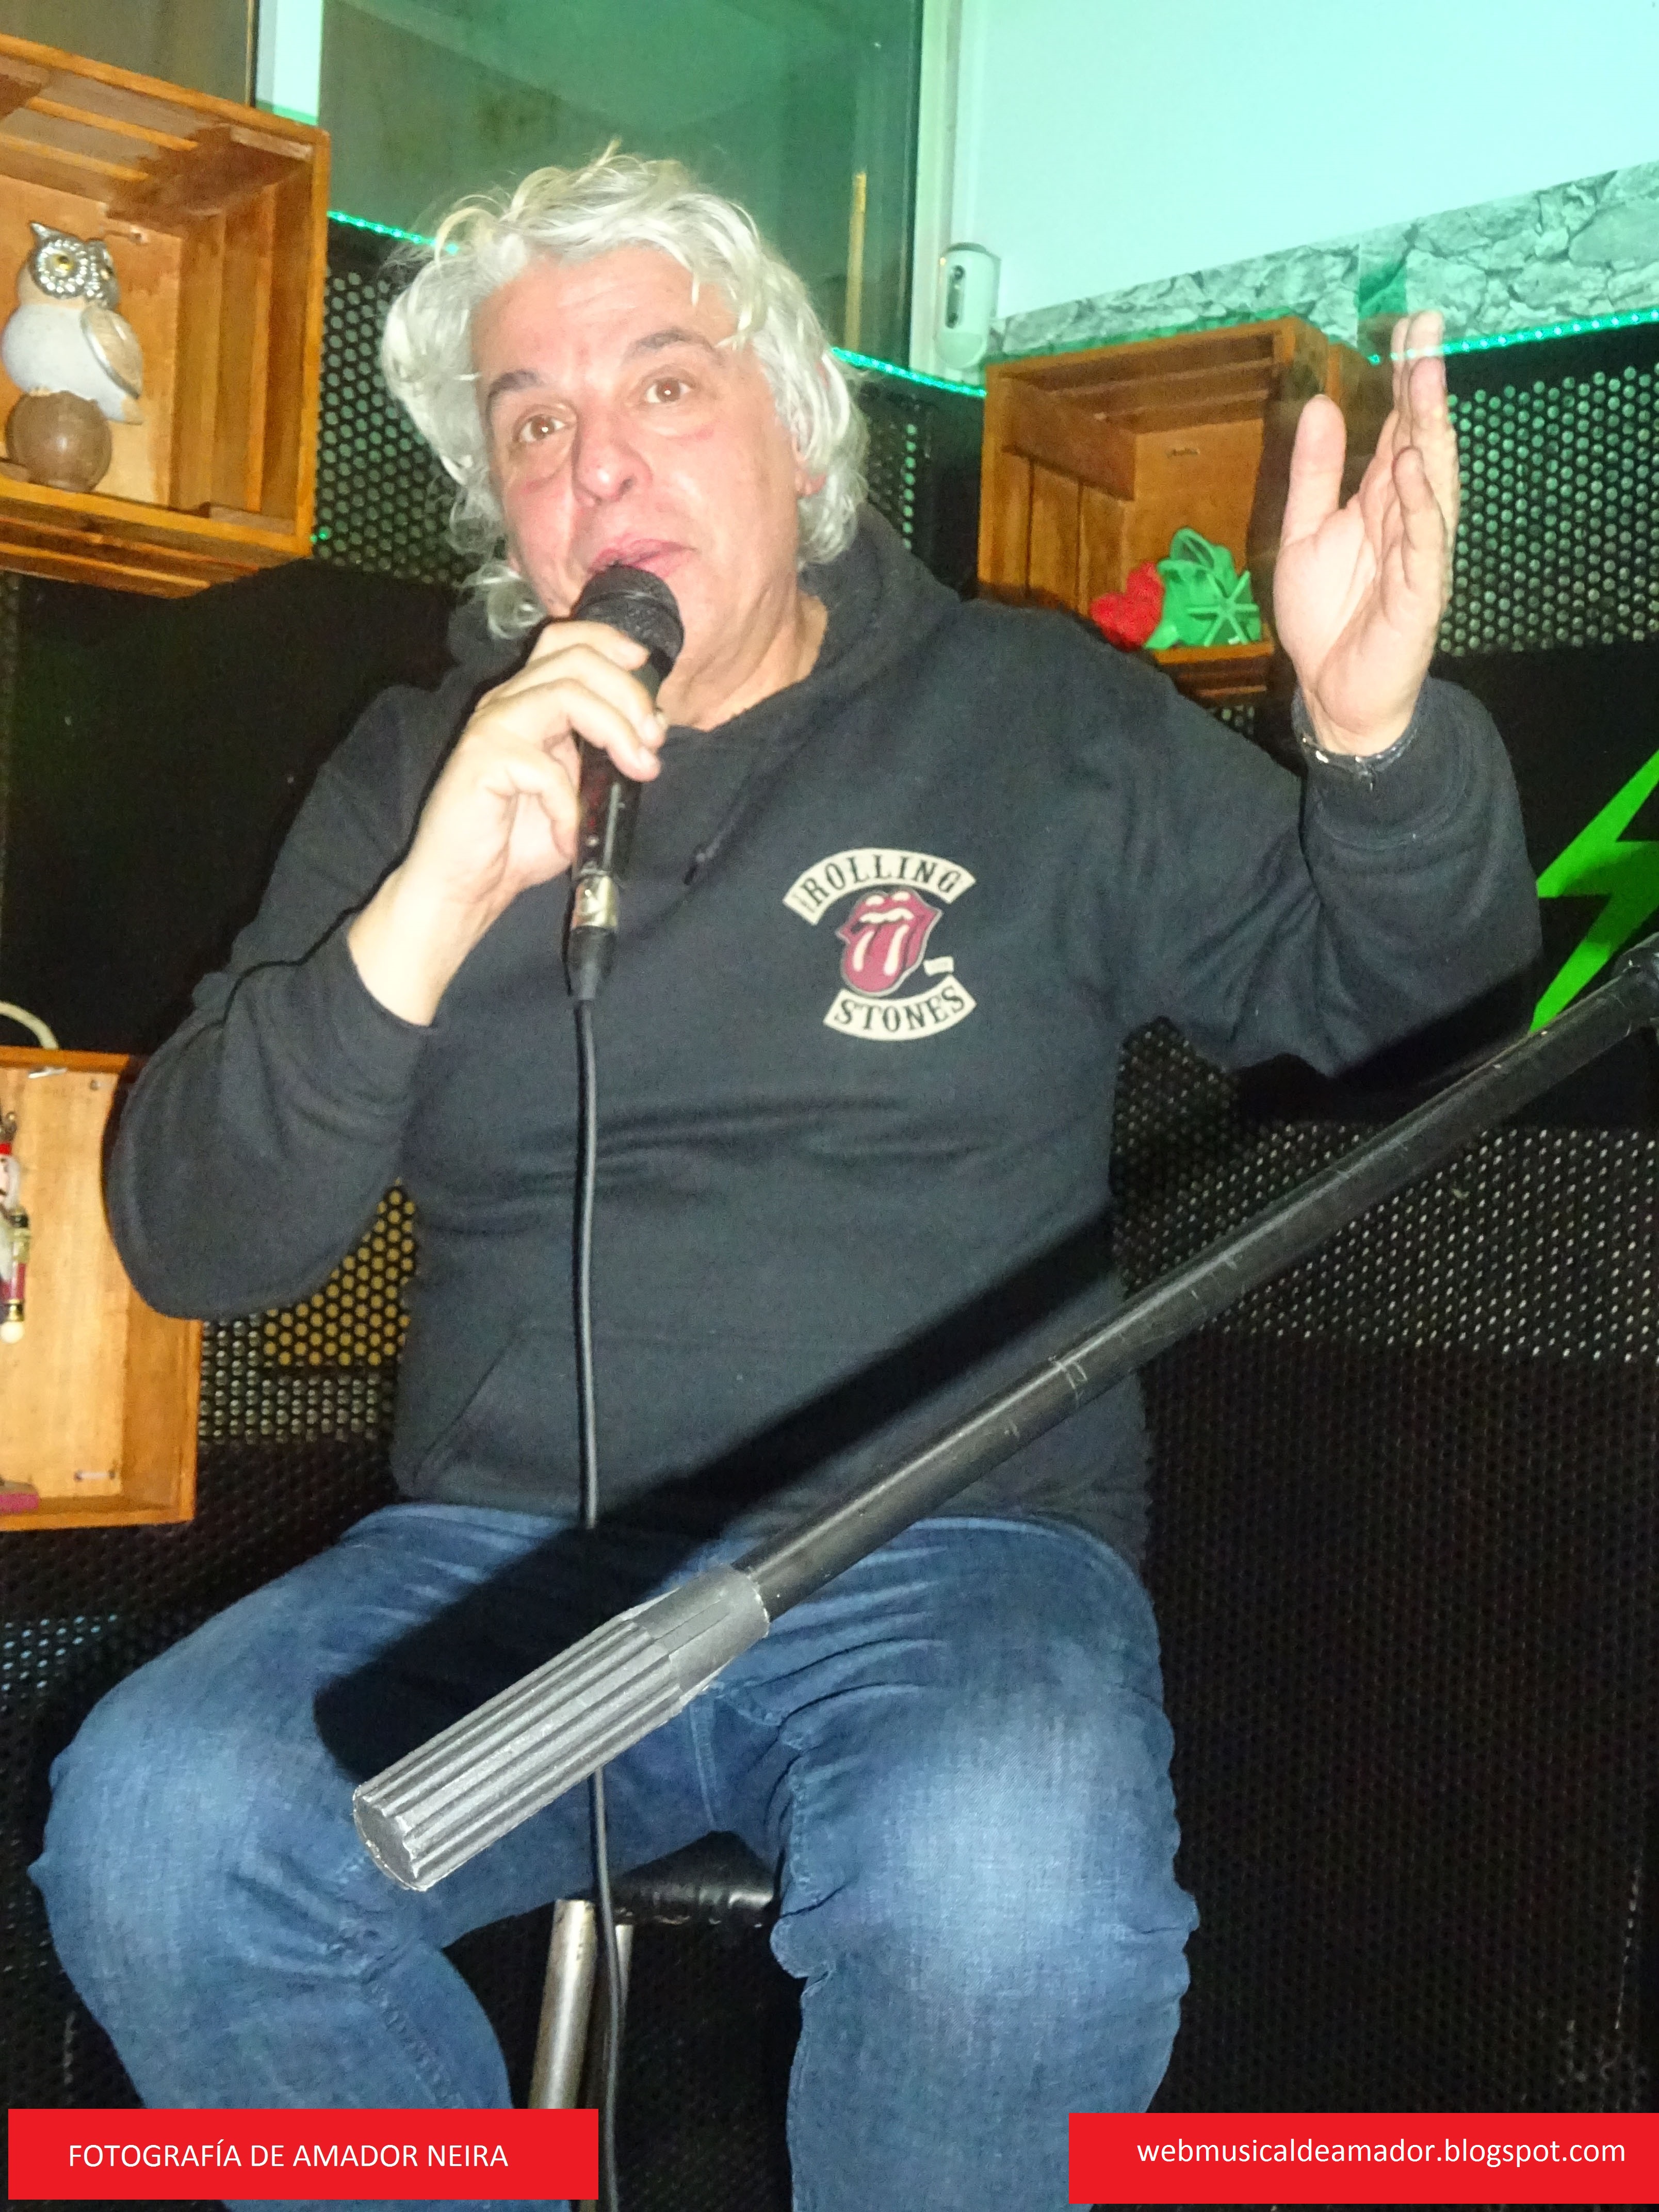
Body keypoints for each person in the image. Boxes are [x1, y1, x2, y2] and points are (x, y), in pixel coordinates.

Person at [31, 152, 1538, 2211]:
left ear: (801, 434)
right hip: (504, 1567)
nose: (597, 465)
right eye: (534, 423)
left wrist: (1375, 744)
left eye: (664, 387)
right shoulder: (420, 769)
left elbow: (1411, 1020)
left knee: (1002, 1892)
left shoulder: (1030, 715)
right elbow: (197, 1238)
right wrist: (428, 905)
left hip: (949, 1551)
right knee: (165, 1827)